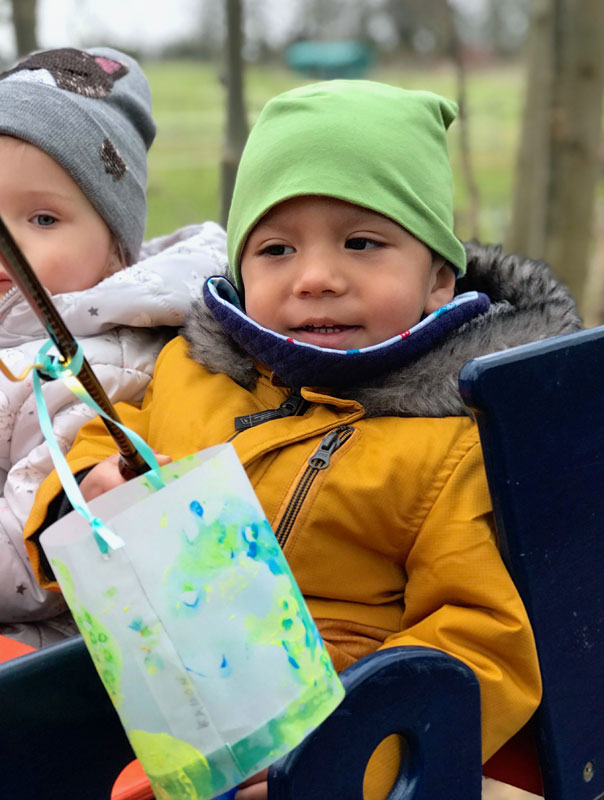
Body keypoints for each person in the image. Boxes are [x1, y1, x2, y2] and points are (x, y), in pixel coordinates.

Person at [24, 80, 581, 799]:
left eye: (361, 242)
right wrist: (86, 497)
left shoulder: (451, 442)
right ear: (240, 269)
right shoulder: (191, 371)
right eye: (277, 249)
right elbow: (104, 445)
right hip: (171, 708)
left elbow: (479, 640)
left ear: (438, 278)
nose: (316, 278)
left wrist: (342, 755)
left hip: (343, 742)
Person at [0, 46, 227, 648]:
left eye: (43, 219)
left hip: (44, 653)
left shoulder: (96, 365)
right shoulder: (12, 325)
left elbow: (32, 554)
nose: (8, 244)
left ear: (116, 250)